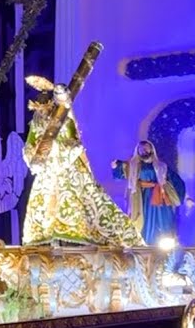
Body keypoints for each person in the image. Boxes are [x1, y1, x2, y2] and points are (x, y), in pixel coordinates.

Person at [20, 76, 143, 247]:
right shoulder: (36, 122)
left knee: (77, 201)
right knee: (43, 205)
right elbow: (30, 144)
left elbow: (76, 142)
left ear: (51, 104)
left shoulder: (65, 118)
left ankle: (77, 237)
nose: (41, 110)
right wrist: (34, 159)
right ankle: (48, 240)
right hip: (47, 170)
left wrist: (57, 149)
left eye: (44, 106)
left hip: (68, 167)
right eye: (38, 107)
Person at [112, 140, 186, 246]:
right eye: (141, 149)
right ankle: (144, 243)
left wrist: (177, 192)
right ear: (137, 151)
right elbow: (120, 174)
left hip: (160, 197)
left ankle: (164, 243)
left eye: (146, 148)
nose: (144, 150)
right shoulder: (133, 165)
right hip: (143, 198)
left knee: (163, 221)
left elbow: (175, 180)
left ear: (151, 149)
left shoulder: (161, 166)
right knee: (144, 220)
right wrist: (115, 166)